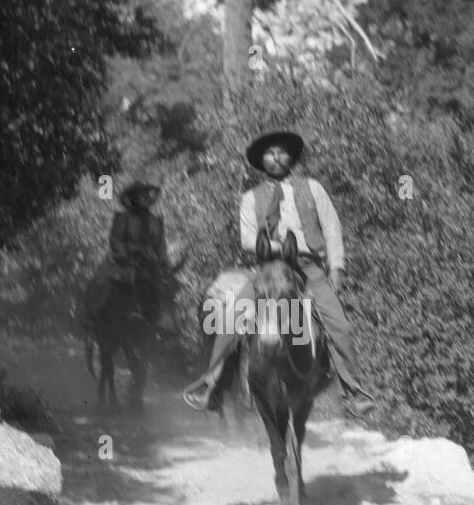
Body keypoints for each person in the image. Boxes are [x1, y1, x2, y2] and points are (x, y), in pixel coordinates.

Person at [183, 129, 376, 418]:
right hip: (270, 269)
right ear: (262, 161)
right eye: (269, 154)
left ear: (291, 158)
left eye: (281, 152)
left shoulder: (313, 188)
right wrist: (280, 247)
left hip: (308, 268)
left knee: (339, 326)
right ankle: (212, 384)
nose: (276, 158)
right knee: (231, 318)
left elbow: (332, 228)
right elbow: (248, 239)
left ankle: (353, 390)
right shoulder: (251, 198)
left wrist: (336, 266)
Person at [90, 181, 171, 328]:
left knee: (165, 286)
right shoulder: (123, 219)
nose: (145, 198)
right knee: (109, 284)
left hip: (150, 262)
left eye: (146, 195)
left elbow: (160, 244)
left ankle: (164, 322)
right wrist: (124, 256)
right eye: (142, 195)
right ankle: (99, 317)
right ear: (134, 198)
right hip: (127, 261)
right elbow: (115, 240)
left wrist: (164, 262)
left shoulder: (154, 221)